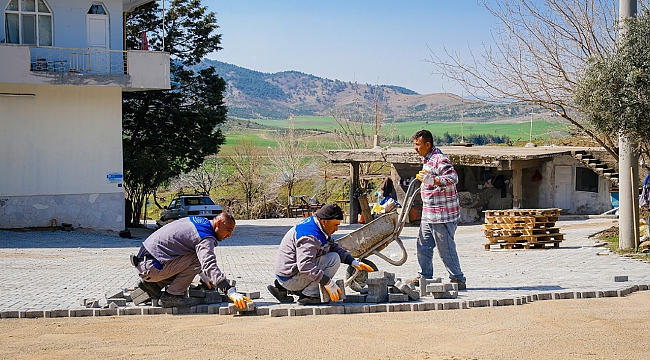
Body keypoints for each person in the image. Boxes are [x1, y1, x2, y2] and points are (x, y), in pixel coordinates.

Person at [131, 212, 251, 309]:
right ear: (219, 223)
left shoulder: (200, 221)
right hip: (152, 266)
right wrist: (230, 291)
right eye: (228, 229)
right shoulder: (205, 236)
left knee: (195, 256)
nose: (229, 235)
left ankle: (154, 285)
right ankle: (172, 296)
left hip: (147, 262)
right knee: (197, 258)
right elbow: (208, 264)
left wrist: (204, 277)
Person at [267, 204, 374, 305]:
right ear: (324, 221)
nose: (337, 229)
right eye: (335, 225)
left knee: (329, 253)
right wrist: (328, 283)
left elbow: (332, 246)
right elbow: (305, 265)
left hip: (286, 273)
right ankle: (310, 295)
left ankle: (282, 288)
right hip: (290, 278)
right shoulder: (310, 236)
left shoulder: (316, 225)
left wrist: (352, 261)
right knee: (334, 259)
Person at [410, 129, 467, 290]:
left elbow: (453, 178)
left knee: (445, 248)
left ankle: (458, 278)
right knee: (423, 245)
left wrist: (433, 180)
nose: (415, 148)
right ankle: (424, 276)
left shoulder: (439, 159)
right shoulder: (427, 159)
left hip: (443, 214)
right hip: (429, 213)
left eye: (417, 145)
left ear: (427, 144)